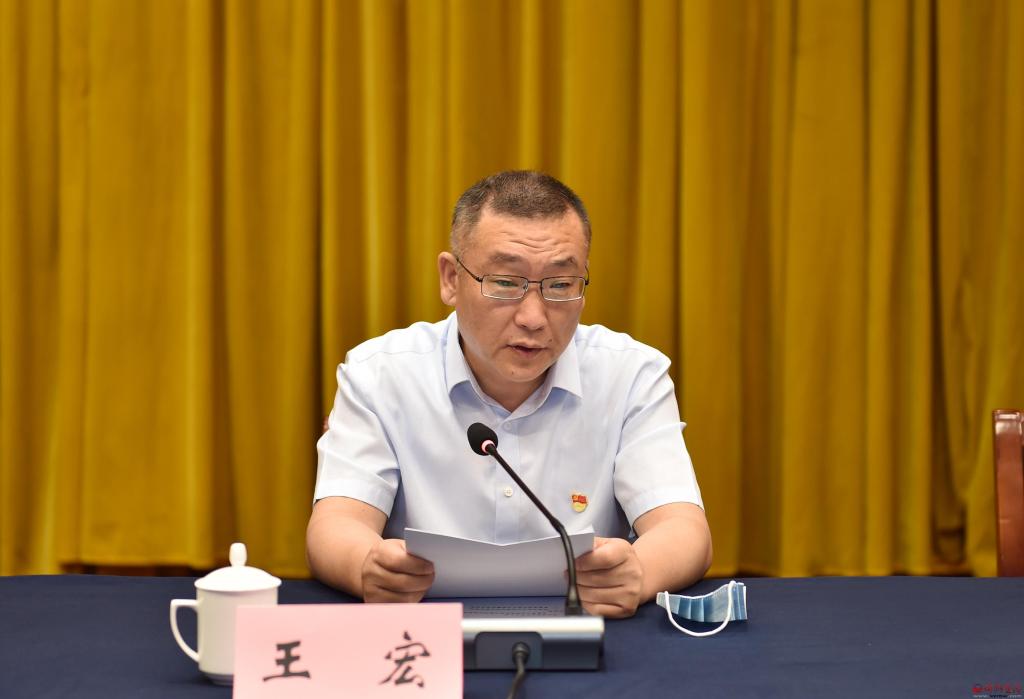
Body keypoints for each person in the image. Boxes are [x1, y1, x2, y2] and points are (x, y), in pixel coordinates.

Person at [307, 171, 711, 618]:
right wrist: (366, 564)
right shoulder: (379, 374)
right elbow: (336, 524)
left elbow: (684, 529)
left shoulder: (631, 374)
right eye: (504, 282)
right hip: (426, 631)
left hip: (586, 626)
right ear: (451, 279)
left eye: (561, 285)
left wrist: (639, 572)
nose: (533, 318)